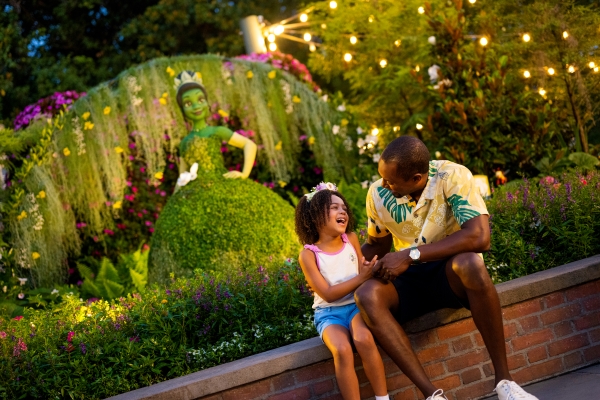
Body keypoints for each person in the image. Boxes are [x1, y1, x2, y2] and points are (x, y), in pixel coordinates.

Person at [356, 136, 539, 400]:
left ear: (417, 178)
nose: (384, 185)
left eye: (391, 181)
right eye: (382, 178)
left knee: (471, 264)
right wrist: (339, 269)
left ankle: (505, 383)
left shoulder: (452, 176)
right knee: (367, 295)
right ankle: (433, 395)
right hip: (409, 278)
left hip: (447, 270)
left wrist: (409, 255)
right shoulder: (378, 193)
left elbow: (479, 237)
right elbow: (377, 244)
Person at [148, 71, 298, 282]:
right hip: (194, 192)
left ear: (208, 103)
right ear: (183, 110)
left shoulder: (216, 131)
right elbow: (182, 175)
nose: (196, 106)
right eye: (188, 103)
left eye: (200, 100)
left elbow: (249, 144)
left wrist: (244, 173)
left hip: (222, 182)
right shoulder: (184, 143)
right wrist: (173, 203)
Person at [295, 182, 390, 400]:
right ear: (316, 216)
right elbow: (327, 294)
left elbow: (362, 272)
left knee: (364, 339)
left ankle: (383, 398)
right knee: (341, 349)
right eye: (334, 208)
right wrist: (361, 277)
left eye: (344, 208)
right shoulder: (308, 255)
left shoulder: (351, 240)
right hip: (328, 314)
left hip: (356, 306)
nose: (342, 212)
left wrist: (369, 271)